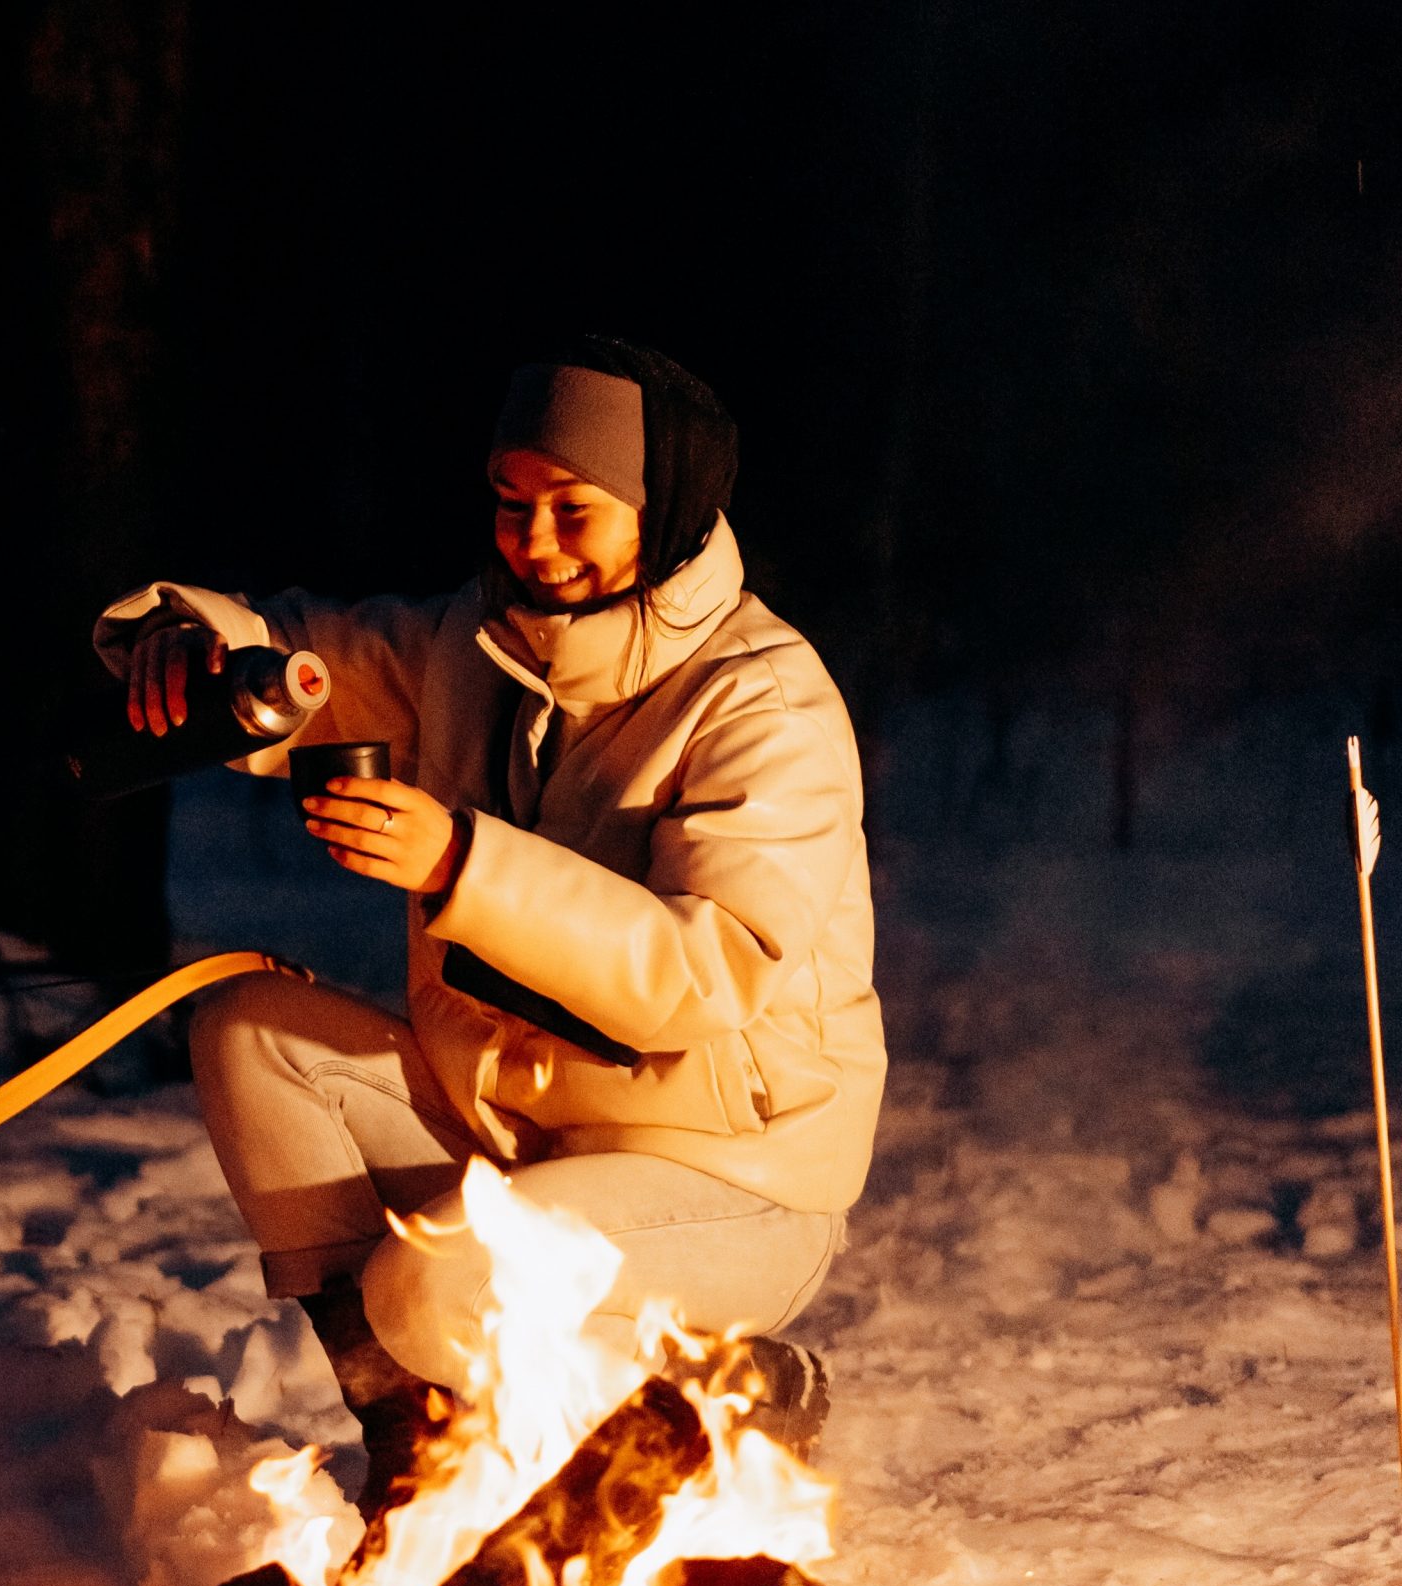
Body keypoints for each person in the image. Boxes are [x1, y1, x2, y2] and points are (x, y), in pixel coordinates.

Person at [97, 337, 881, 1515]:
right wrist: (193, 646)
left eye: (575, 510)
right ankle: (412, 1440)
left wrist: (462, 861)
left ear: (661, 509)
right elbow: (298, 654)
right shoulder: (476, 646)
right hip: (526, 1138)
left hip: (729, 1176)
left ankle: (737, 1382)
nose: (535, 542)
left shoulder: (760, 698)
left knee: (436, 1288)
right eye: (512, 505)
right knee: (253, 1033)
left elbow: (700, 975)